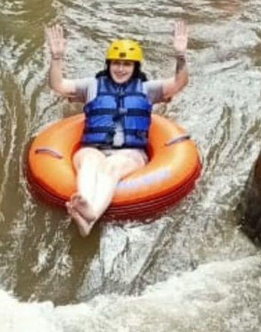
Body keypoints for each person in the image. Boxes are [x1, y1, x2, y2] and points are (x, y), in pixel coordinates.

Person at [46, 21, 190, 236]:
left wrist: (180, 56)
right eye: (116, 63)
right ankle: (85, 208)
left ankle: (90, 214)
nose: (121, 69)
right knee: (89, 162)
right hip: (93, 148)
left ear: (135, 67)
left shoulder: (147, 89)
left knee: (111, 168)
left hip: (130, 153)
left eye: (127, 64)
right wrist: (56, 58)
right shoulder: (92, 86)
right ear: (109, 64)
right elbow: (58, 85)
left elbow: (179, 83)